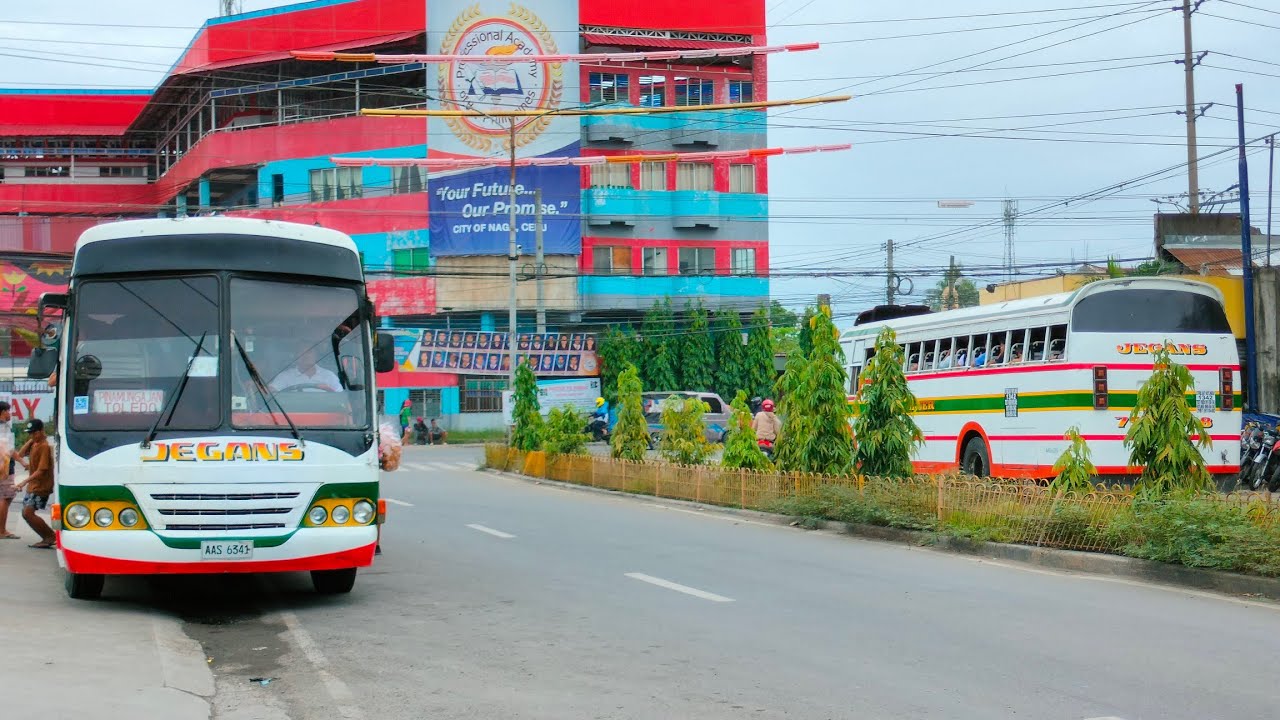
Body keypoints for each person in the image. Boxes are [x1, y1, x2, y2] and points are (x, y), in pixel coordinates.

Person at [14, 419, 55, 549]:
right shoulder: (35, 444)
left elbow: (42, 470)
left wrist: (24, 481)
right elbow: (20, 454)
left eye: (34, 433)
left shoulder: (44, 446)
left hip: (41, 486)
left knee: (28, 513)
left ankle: (49, 536)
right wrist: (32, 440)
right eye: (30, 433)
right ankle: (48, 536)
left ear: (42, 431)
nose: (32, 436)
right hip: (33, 486)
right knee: (26, 514)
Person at [269, 347, 342, 393]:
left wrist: (331, 391)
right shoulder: (285, 376)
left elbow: (341, 396)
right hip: (290, 415)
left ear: (316, 355)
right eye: (301, 352)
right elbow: (271, 392)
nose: (306, 355)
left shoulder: (329, 375)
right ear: (296, 356)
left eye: (309, 352)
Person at [0, 401, 17, 540]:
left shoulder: (5, 426)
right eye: (8, 411)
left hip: (4, 466)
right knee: (6, 498)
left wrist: (22, 461)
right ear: (2, 412)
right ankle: (1, 530)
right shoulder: (3, 428)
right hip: (4, 468)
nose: (9, 413)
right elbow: (7, 450)